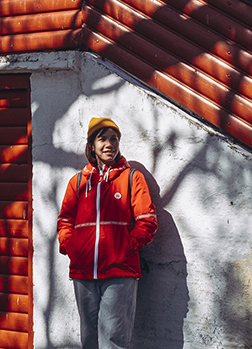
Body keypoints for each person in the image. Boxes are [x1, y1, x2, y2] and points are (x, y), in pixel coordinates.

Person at [57, 116, 157, 349]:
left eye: (114, 139)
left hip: (120, 271)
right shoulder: (78, 182)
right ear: (92, 145)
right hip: (83, 272)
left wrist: (126, 247)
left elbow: (148, 221)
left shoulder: (132, 178)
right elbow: (65, 220)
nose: (109, 144)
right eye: (102, 139)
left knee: (113, 340)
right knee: (89, 340)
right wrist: (71, 248)